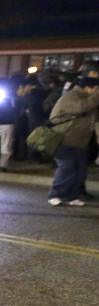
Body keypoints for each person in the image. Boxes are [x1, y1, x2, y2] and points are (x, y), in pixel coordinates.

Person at [45, 76, 99, 207]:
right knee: (67, 167)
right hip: (63, 139)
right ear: (88, 88)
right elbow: (81, 108)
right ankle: (55, 194)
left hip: (80, 142)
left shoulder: (91, 100)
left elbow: (95, 119)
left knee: (80, 171)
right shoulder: (71, 96)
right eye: (96, 89)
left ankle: (72, 196)